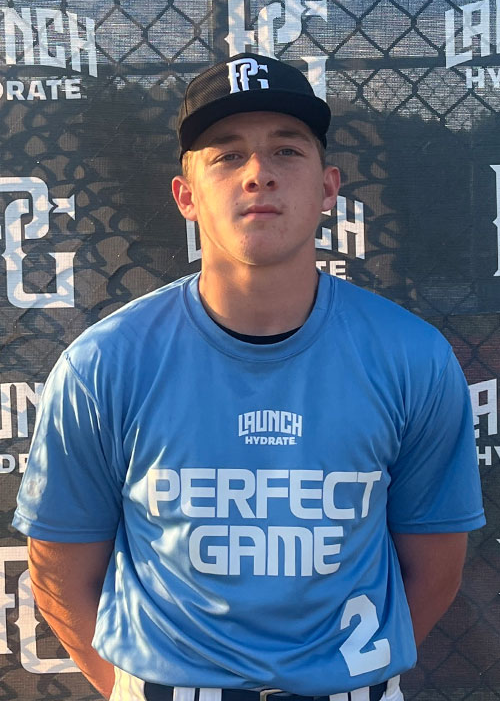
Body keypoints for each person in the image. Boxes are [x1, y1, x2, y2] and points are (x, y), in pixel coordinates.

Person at [13, 53, 485, 701]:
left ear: (328, 188)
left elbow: (433, 571)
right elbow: (60, 572)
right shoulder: (103, 365)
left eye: (286, 150)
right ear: (186, 195)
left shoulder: (413, 358)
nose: (259, 173)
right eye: (227, 155)